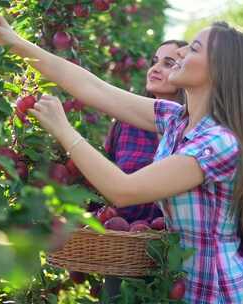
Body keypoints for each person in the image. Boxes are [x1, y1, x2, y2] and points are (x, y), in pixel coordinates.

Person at [0, 15, 243, 303]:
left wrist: (63, 129)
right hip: (187, 288)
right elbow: (92, 87)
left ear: (220, 71)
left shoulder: (218, 144)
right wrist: (14, 41)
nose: (182, 53)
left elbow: (123, 190)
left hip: (224, 292)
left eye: (195, 48)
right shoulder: (176, 120)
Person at [102, 39, 187, 301]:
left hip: (171, 252)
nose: (156, 68)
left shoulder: (191, 129)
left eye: (168, 63)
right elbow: (107, 174)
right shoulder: (125, 123)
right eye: (154, 61)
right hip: (124, 244)